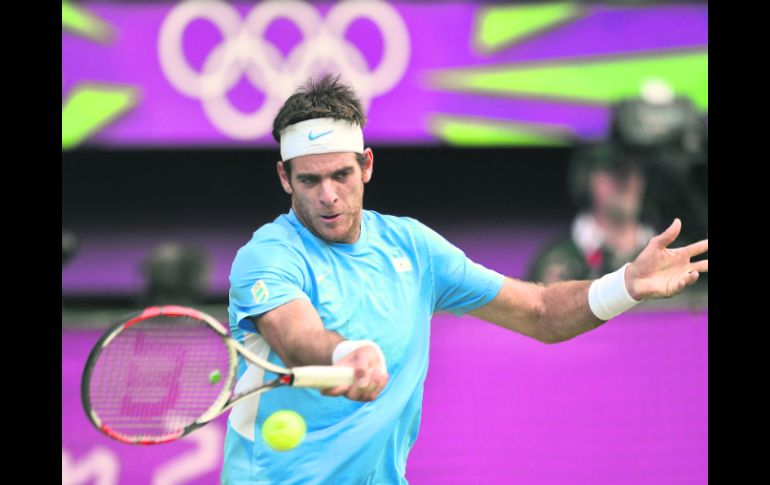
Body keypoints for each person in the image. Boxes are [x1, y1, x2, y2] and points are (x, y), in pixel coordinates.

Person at [222, 75, 708, 484]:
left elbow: (539, 312)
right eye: (309, 180)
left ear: (367, 165)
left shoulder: (413, 247)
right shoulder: (267, 256)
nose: (328, 195)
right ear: (285, 178)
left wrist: (625, 284)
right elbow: (294, 335)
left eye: (341, 175)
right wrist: (343, 354)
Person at [527, 142, 656, 284]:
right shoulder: (558, 262)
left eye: (634, 172)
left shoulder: (669, 254)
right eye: (615, 174)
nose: (628, 183)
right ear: (587, 179)